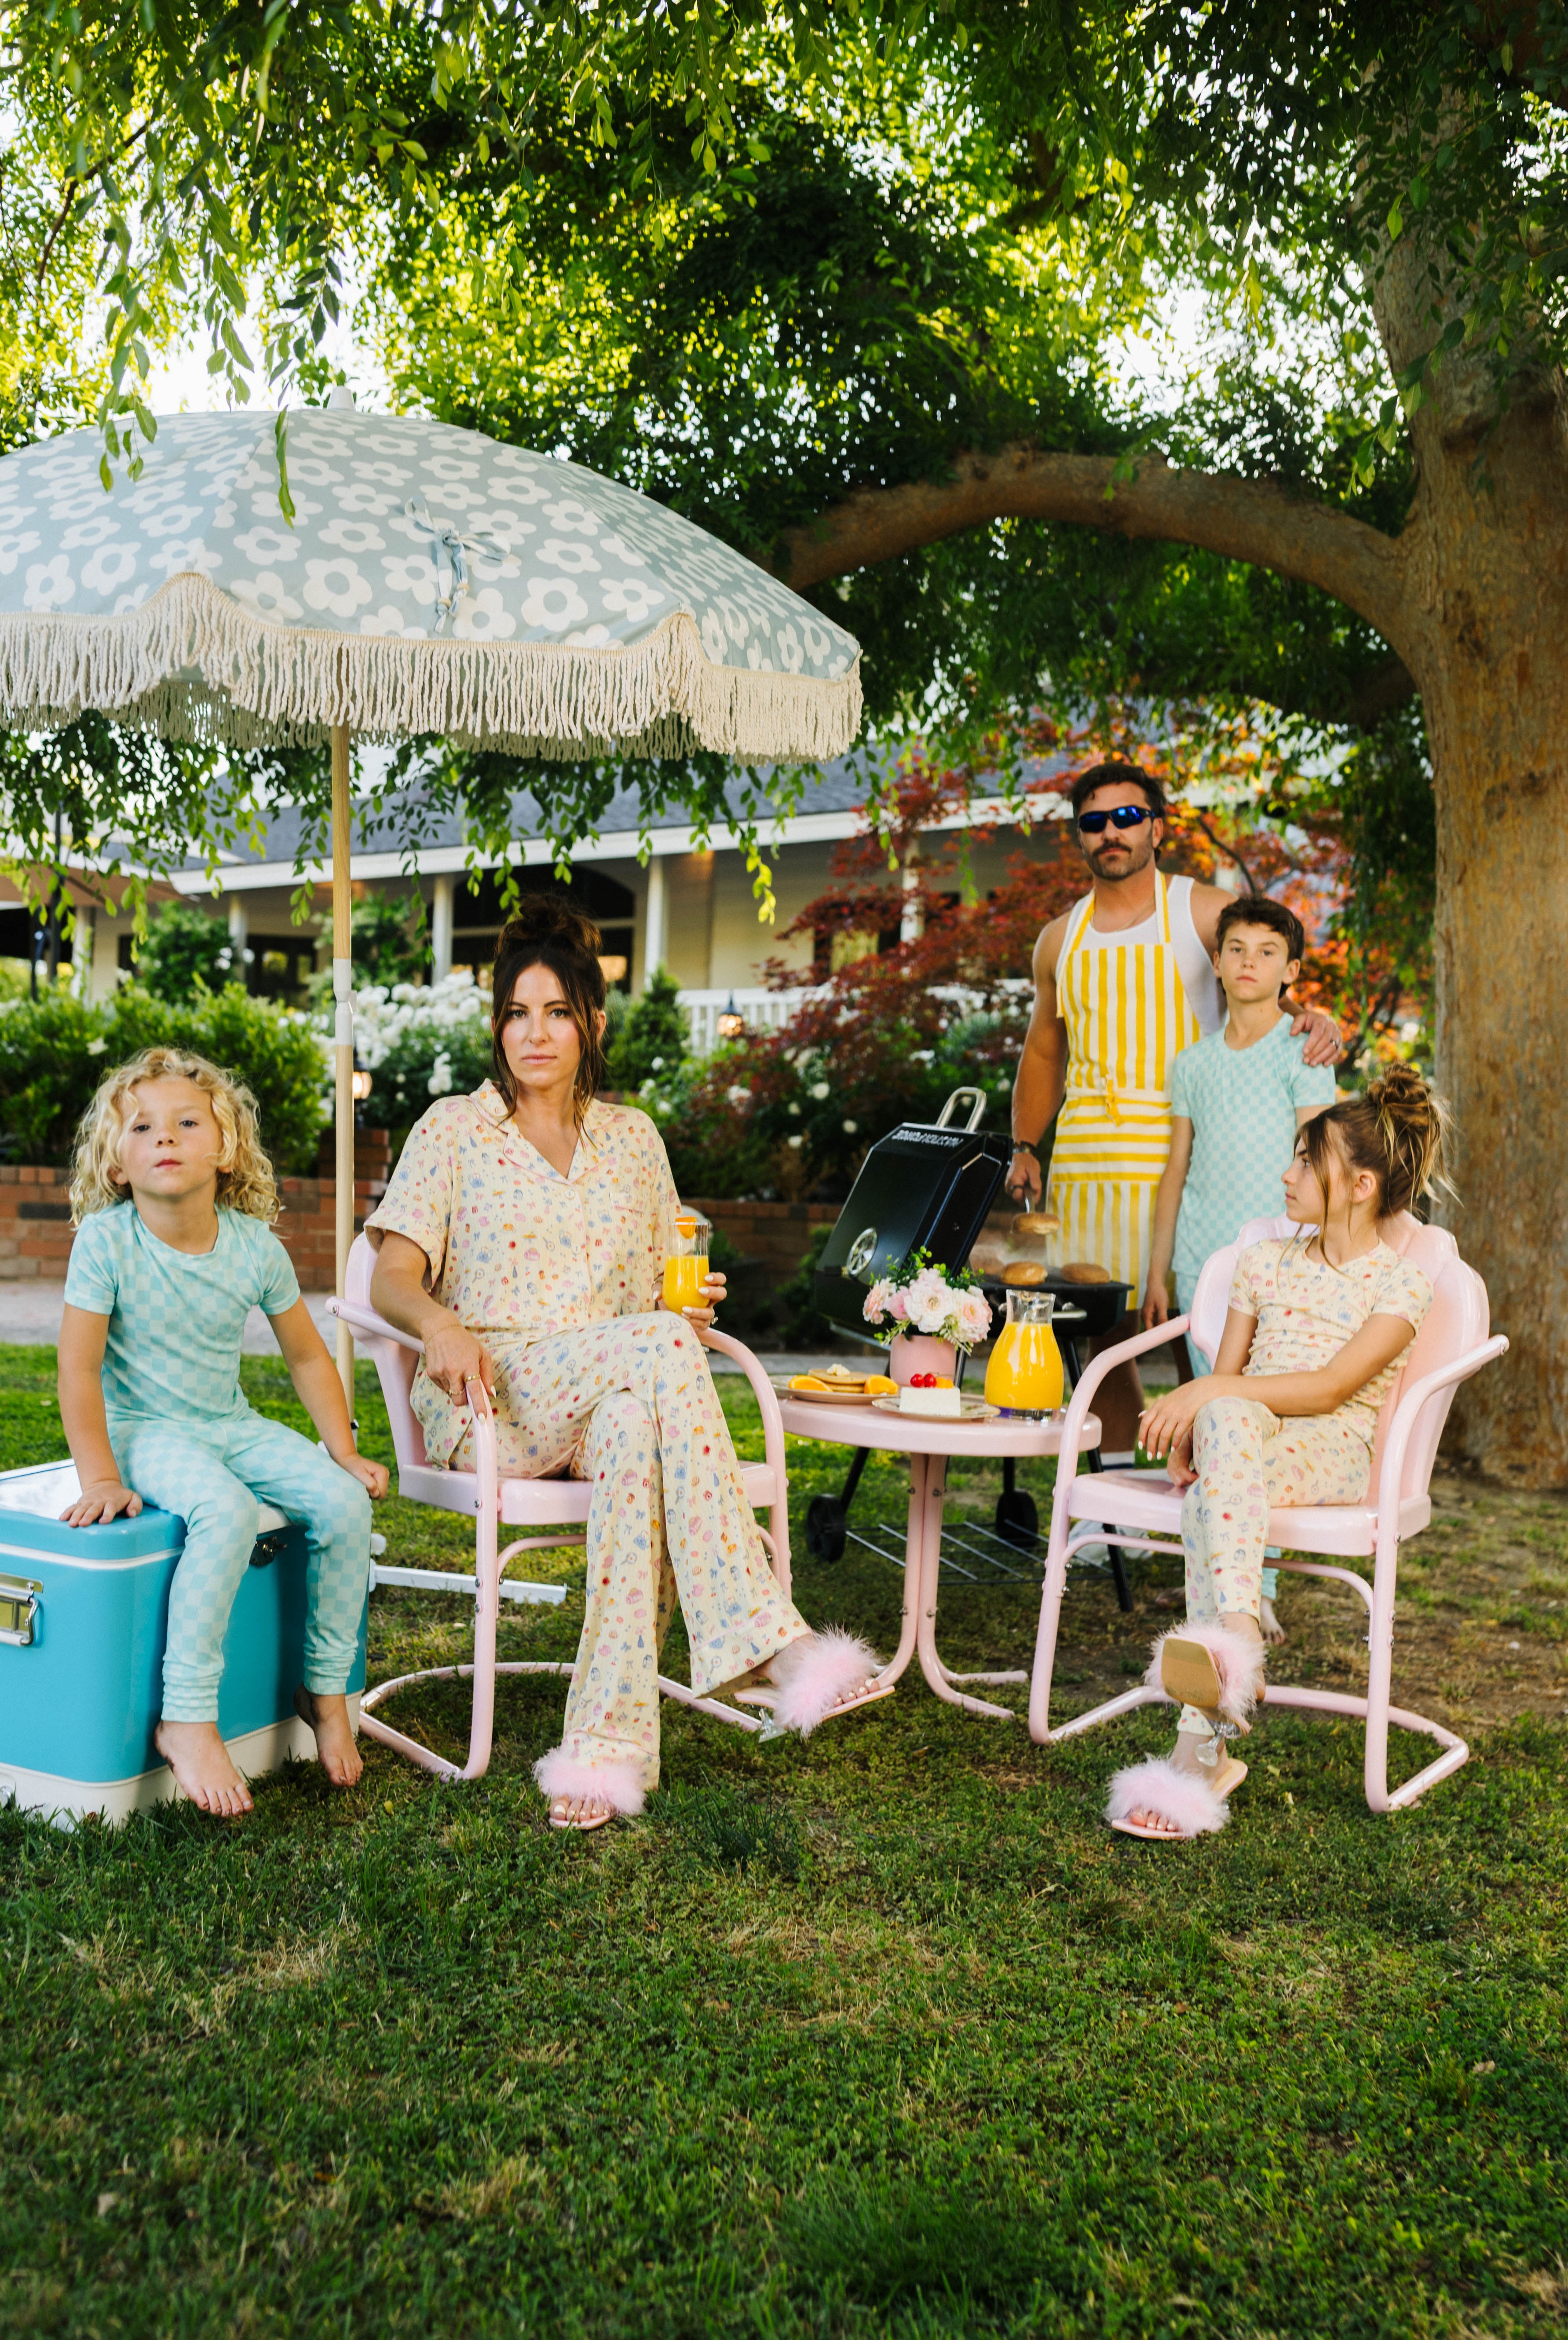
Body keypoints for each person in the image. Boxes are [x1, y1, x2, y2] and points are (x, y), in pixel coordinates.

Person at [366, 896, 888, 1833]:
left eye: (557, 1012)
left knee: (634, 1412)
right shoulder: (452, 1129)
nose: (535, 1033)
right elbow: (393, 1277)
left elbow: (662, 1300)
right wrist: (438, 1323)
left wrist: (686, 1305)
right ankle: (765, 1640)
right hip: (491, 1394)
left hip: (615, 1387)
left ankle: (605, 1750)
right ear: (496, 1025)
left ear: (591, 1025)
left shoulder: (635, 1139)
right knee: (654, 1353)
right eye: (517, 1013)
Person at [1104, 1062, 1447, 1842]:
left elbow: (1330, 1387)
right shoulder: (1263, 1261)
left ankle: (1203, 1741)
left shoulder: (1399, 1285)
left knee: (1218, 1430)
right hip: (1247, 1438)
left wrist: (1202, 1400)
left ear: (1360, 1186)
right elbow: (1229, 1378)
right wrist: (1203, 1417)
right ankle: (1238, 1634)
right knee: (1222, 1423)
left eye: (1305, 1162)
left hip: (1332, 1449)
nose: (1286, 1175)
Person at [58, 1048, 388, 1820]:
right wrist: (102, 1477)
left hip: (226, 1424)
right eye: (141, 1127)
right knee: (228, 1514)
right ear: (116, 1162)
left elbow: (307, 1355)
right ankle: (187, 1715)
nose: (163, 1137)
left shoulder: (252, 1245)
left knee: (344, 1505)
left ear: (226, 1147)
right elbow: (77, 1375)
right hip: (144, 1428)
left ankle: (326, 1688)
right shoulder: (106, 1243)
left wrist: (340, 1449)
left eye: (184, 1122)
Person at [1007, 761, 1343, 1457]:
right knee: (1103, 1333)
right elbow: (1043, 1054)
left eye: (1126, 817)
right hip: (1086, 1160)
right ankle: (1113, 1501)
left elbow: (1265, 969)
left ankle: (1216, 1477)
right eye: (1093, 821)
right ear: (1079, 836)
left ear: (1156, 827)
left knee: (1206, 1326)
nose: (1110, 832)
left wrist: (1311, 1018)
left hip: (1187, 1155)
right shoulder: (1056, 939)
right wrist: (1024, 1148)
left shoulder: (1200, 910)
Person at [1141, 895, 1338, 1639]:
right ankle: (1224, 1582)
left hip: (1278, 1267)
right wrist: (1160, 1271)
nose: (1248, 962)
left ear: (1290, 971)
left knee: (1256, 1417)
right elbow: (1175, 1169)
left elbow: (1318, 1157)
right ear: (1216, 962)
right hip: (1199, 1263)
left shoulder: (1302, 1053)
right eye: (1235, 949)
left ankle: (1251, 1595)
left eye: (1266, 952)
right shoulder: (1191, 1063)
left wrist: (1308, 1256)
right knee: (1210, 1419)